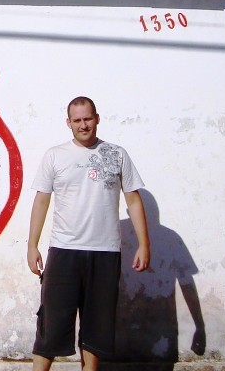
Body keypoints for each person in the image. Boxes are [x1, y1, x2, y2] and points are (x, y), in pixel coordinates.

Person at [27, 96, 150, 371]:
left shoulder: (116, 154)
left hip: (105, 253)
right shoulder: (55, 155)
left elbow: (132, 199)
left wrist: (144, 244)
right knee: (51, 324)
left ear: (97, 118)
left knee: (98, 326)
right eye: (77, 120)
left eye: (88, 119)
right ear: (68, 123)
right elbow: (42, 200)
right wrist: (32, 245)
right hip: (64, 251)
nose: (83, 125)